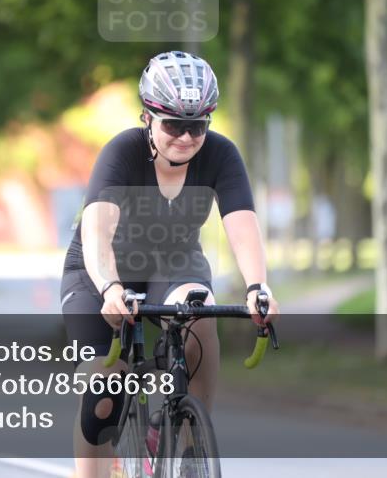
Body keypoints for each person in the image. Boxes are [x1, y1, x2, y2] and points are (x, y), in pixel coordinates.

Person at [60, 51, 280, 478]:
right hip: (100, 271)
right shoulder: (121, 153)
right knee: (103, 394)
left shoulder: (220, 155)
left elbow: (242, 223)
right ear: (148, 117)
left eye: (197, 125)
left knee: (198, 312)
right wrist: (109, 287)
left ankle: (189, 439)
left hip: (173, 263)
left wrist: (258, 287)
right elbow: (98, 233)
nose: (186, 136)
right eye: (174, 125)